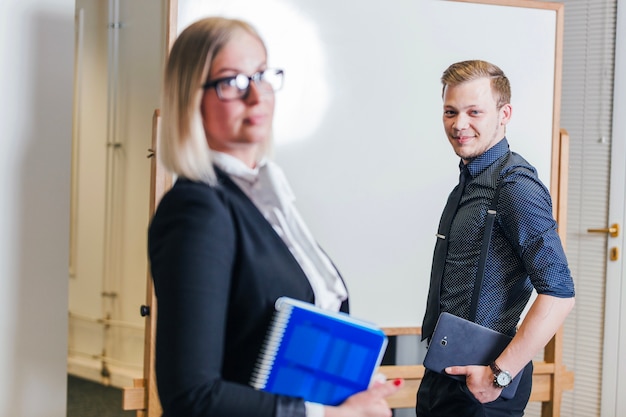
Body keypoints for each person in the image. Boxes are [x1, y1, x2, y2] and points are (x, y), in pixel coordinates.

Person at [148, 16, 402, 417]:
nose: (257, 95)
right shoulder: (197, 211)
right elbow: (192, 397)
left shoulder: (266, 198)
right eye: (232, 81)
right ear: (190, 97)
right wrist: (332, 415)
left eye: (262, 75)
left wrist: (347, 389)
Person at [417, 60, 576, 416]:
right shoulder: (469, 182)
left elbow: (559, 294)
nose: (460, 124)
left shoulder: (515, 185)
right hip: (444, 375)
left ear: (504, 114)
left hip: (483, 386)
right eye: (450, 112)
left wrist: (498, 375)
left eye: (475, 112)